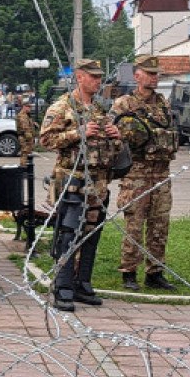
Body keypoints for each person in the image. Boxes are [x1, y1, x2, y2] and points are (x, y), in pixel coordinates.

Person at [39, 58, 123, 312]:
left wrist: (115, 137)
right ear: (79, 77)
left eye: (100, 77)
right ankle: (62, 286)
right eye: (94, 77)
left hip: (99, 182)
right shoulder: (63, 107)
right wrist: (79, 133)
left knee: (91, 233)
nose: (98, 81)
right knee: (69, 233)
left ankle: (82, 282)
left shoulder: (100, 108)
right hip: (72, 181)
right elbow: (45, 139)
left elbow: (111, 146)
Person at [110, 55, 177, 291]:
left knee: (160, 226)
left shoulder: (162, 103)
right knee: (134, 226)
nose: (154, 77)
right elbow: (118, 137)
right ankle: (129, 271)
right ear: (137, 75)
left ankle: (155, 272)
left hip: (160, 173)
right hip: (136, 173)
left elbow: (170, 134)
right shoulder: (124, 104)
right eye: (150, 73)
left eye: (157, 73)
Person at [15, 96, 38, 167]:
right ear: (24, 107)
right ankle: (23, 168)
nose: (30, 109)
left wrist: (33, 124)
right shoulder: (22, 116)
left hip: (26, 138)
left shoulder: (26, 115)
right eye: (29, 107)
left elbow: (28, 124)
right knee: (25, 154)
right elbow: (25, 129)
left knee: (28, 154)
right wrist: (31, 140)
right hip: (25, 138)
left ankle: (26, 168)